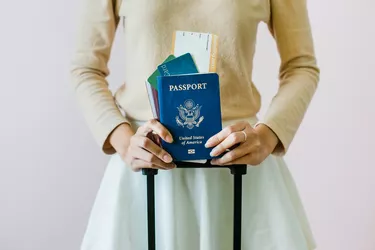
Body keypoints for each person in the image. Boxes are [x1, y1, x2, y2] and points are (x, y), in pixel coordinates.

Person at [70, 0, 320, 249]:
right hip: (144, 168)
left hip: (239, 163)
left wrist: (267, 137)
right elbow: (85, 68)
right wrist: (124, 143)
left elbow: (302, 66)